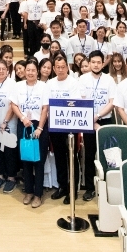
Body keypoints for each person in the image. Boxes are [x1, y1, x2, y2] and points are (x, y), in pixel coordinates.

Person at [10, 59, 49, 208]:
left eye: (33, 70)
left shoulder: (43, 86)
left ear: (37, 71)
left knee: (39, 161)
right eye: (28, 70)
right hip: (23, 124)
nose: (30, 73)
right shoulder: (18, 86)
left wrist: (40, 128)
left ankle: (38, 194)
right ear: (24, 72)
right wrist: (22, 118)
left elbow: (45, 108)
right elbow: (14, 104)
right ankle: (29, 191)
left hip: (39, 126)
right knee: (26, 159)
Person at [78, 50, 115, 202]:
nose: (96, 65)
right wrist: (91, 121)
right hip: (88, 122)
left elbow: (112, 102)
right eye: (93, 62)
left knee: (108, 154)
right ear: (89, 63)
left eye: (99, 62)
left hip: (105, 121)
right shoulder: (82, 79)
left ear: (103, 63)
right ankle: (90, 188)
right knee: (89, 154)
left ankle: (109, 186)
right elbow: (80, 101)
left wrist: (98, 116)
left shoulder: (109, 80)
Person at [46, 53, 80, 202]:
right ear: (54, 68)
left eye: (63, 67)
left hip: (70, 125)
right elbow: (47, 103)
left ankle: (73, 189)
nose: (60, 70)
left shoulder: (74, 83)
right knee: (59, 157)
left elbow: (74, 103)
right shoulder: (50, 83)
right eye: (58, 67)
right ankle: (62, 187)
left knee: (71, 157)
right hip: (55, 125)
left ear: (67, 67)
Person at [0, 59, 18, 194]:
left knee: (9, 152)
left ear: (7, 70)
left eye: (3, 69)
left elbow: (13, 105)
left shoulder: (12, 84)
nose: (1, 71)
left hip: (8, 123)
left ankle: (11, 178)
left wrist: (5, 121)